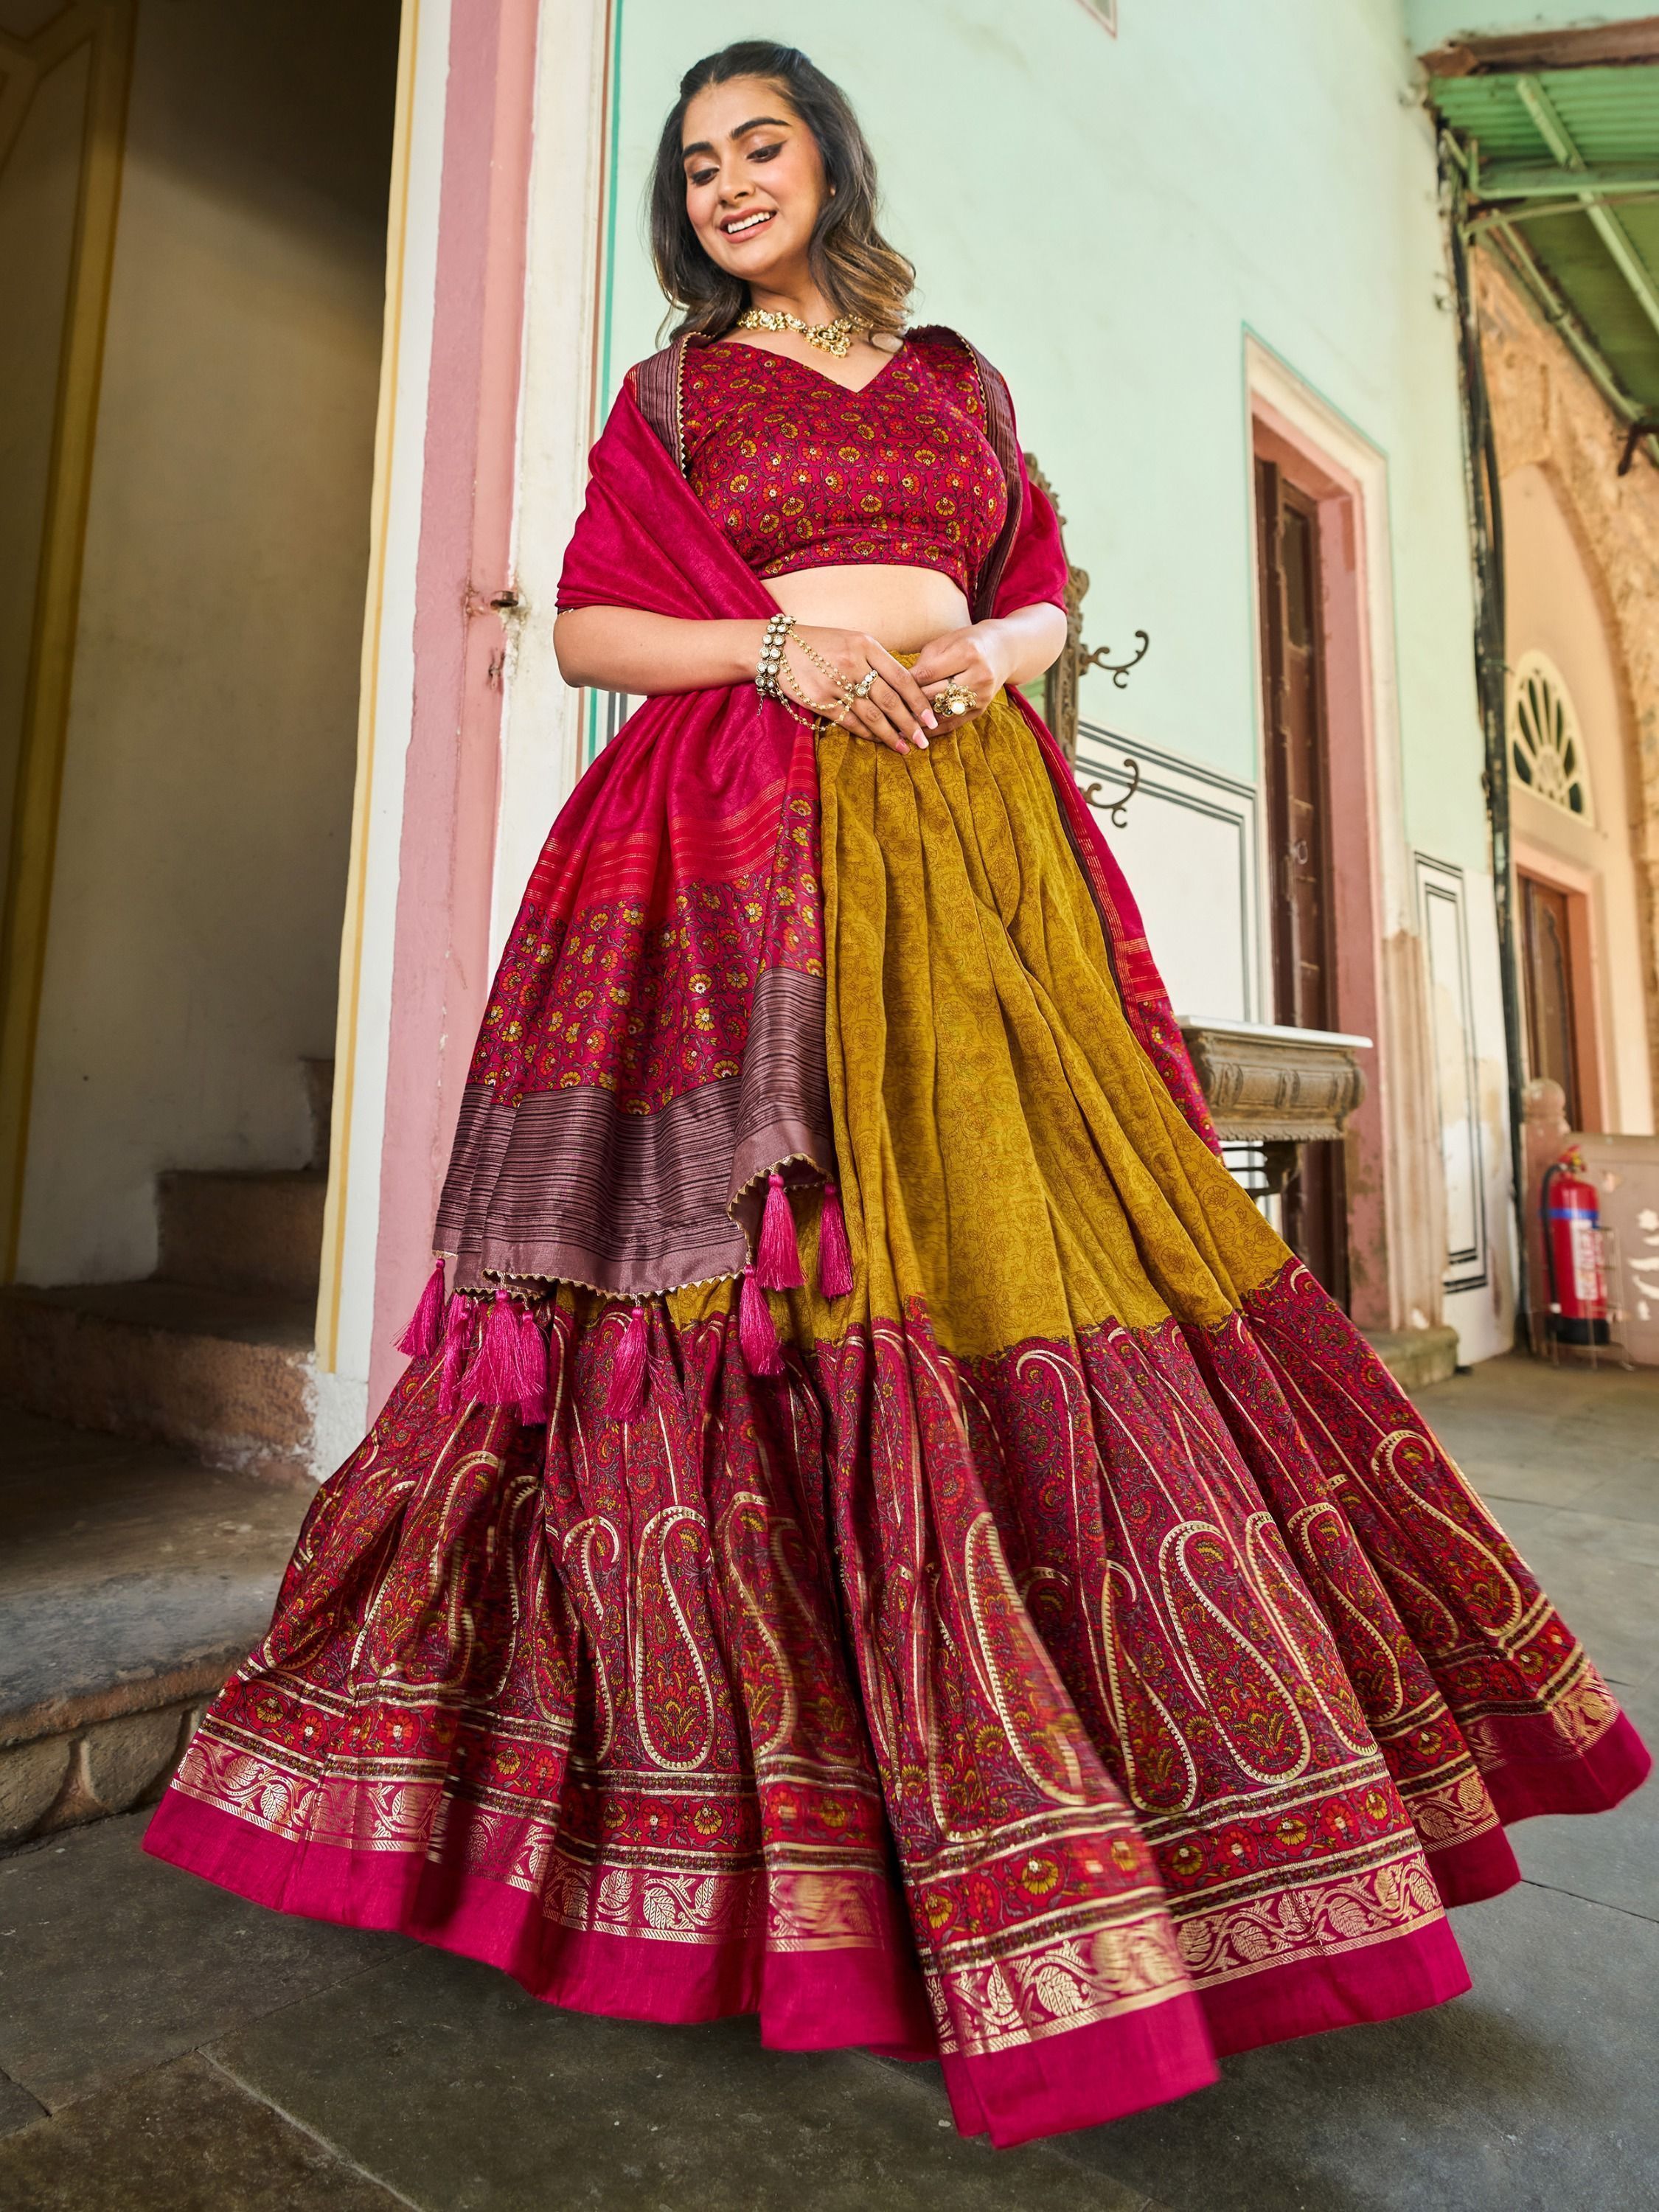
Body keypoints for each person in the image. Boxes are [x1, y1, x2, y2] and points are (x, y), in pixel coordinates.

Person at [146, 40, 1649, 2151]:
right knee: (771, 1281)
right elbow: (590, 623)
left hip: (970, 853)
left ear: (825, 163)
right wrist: (773, 653)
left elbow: (1040, 583)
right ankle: (758, 1853)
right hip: (732, 854)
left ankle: (1110, 1822)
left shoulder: (958, 384)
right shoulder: (671, 400)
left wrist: (991, 658)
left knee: (1017, 1254)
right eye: (694, 166)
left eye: (759, 146)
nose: (729, 181)